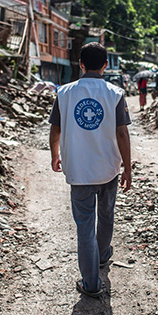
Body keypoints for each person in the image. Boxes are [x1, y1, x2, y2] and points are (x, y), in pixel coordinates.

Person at [49, 42, 132, 298]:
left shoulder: (64, 93)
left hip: (79, 171)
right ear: (106, 65)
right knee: (106, 215)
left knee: (84, 226)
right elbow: (122, 132)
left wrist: (55, 155)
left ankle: (91, 283)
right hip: (108, 169)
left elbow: (55, 129)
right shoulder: (115, 93)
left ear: (80, 63)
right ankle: (103, 255)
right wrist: (127, 167)